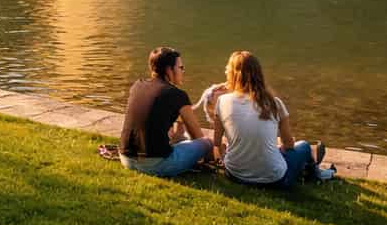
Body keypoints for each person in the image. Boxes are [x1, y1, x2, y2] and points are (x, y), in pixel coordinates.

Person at [212, 50, 334, 188]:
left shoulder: (222, 101)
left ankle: (311, 169)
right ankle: (316, 172)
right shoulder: (274, 103)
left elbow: (216, 143)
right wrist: (276, 149)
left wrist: (226, 157)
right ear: (259, 75)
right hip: (274, 180)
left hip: (235, 175)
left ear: (232, 75)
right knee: (304, 146)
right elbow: (288, 144)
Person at [120, 45, 214, 177]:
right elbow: (197, 136)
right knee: (207, 143)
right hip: (156, 165)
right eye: (181, 68)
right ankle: (211, 170)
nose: (183, 71)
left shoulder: (138, 85)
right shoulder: (177, 95)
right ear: (169, 70)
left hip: (126, 158)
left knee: (179, 137)